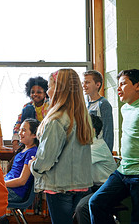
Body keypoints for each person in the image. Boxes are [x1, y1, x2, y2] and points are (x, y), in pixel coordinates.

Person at [89, 69, 139, 224]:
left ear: (138, 85)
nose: (118, 88)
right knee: (96, 202)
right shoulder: (125, 108)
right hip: (123, 171)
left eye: (123, 84)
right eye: (118, 84)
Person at [29, 69, 93, 224]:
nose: (48, 90)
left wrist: (33, 166)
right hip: (83, 185)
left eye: (50, 86)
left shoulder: (56, 119)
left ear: (59, 88)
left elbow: (46, 158)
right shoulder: (84, 118)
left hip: (60, 187)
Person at [74, 114, 117, 224]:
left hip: (108, 188)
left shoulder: (97, 146)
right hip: (94, 187)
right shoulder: (86, 145)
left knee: (82, 208)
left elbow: (75, 164)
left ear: (92, 130)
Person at [5, 118, 39, 203]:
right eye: (20, 130)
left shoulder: (32, 151)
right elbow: (13, 173)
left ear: (34, 134)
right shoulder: (23, 150)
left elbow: (22, 181)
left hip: (15, 192)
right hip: (8, 188)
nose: (20, 133)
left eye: (24, 130)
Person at [12, 76, 50, 151]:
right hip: (32, 139)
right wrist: (15, 143)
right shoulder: (27, 106)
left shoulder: (50, 105)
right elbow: (18, 125)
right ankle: (25, 145)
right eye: (32, 92)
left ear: (45, 93)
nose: (35, 94)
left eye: (39, 92)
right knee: (28, 109)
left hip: (46, 138)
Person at [82, 70, 114, 151]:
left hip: (99, 150)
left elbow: (108, 131)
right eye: (83, 83)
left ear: (97, 84)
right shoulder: (83, 104)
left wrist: (108, 153)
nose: (84, 86)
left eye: (87, 82)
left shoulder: (103, 104)